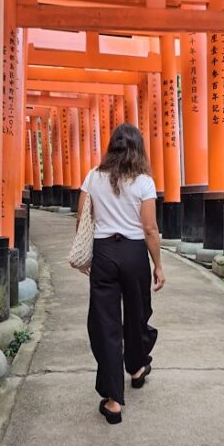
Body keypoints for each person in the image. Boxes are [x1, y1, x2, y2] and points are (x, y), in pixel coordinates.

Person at [76, 123, 165, 425]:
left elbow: (82, 217)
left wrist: (86, 253)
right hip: (133, 253)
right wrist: (158, 265)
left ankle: (114, 400)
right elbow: (149, 228)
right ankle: (137, 368)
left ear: (112, 146)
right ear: (138, 148)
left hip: (104, 253)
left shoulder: (93, 176)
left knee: (105, 323)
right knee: (138, 313)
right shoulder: (144, 182)